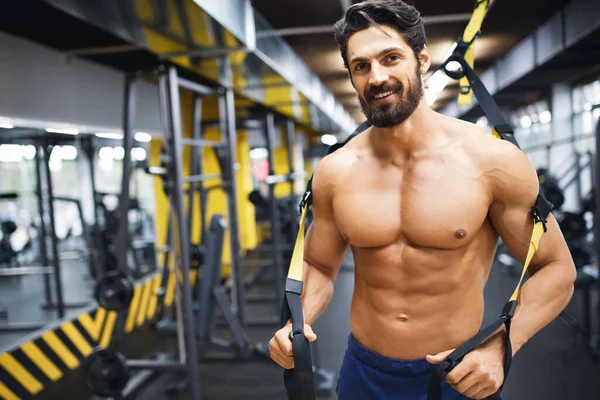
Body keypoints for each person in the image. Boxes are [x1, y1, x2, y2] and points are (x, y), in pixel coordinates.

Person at [269, 1, 576, 399]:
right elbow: (319, 265)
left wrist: (502, 344)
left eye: (390, 58)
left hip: (458, 373)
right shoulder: (335, 171)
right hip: (364, 373)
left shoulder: (494, 161)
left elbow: (556, 268)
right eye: (361, 66)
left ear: (422, 59)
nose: (377, 77)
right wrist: (298, 321)